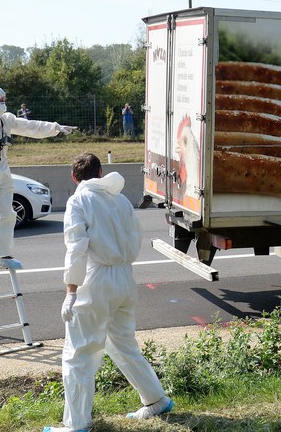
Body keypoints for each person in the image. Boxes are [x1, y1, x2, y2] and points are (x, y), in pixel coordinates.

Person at [45, 153, 172, 432]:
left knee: (79, 353)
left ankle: (76, 424)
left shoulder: (78, 200)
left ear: (73, 177)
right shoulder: (121, 199)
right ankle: (155, 399)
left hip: (97, 279)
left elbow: (76, 248)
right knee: (123, 343)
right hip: (125, 277)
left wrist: (71, 290)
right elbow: (136, 238)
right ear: (101, 172)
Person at [0, 85, 76, 273]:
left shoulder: (5, 120)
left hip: (2, 167)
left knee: (8, 214)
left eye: (4, 100)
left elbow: (31, 126)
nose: (4, 103)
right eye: (0, 100)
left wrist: (56, 128)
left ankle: (4, 255)